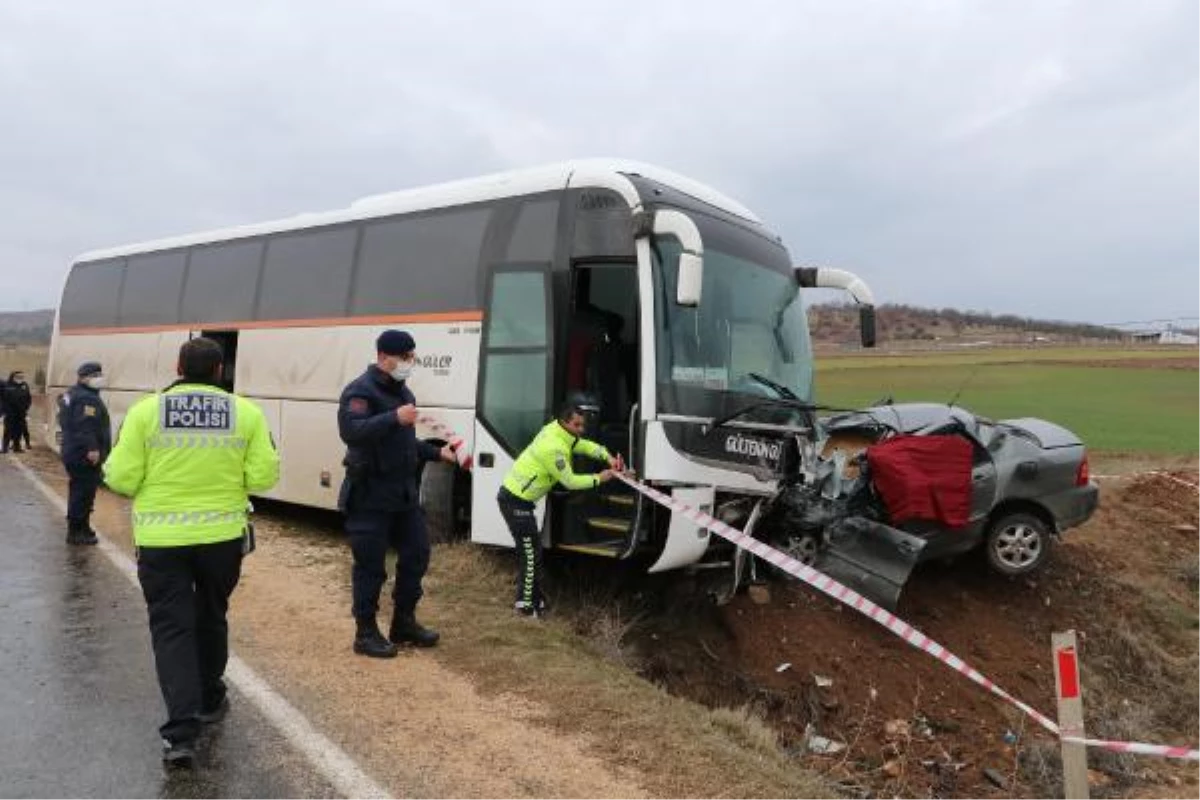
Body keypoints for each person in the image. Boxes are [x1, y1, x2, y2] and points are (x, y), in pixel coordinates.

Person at [104, 337, 279, 767]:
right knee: (212, 615)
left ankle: (181, 733)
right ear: (220, 371)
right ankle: (210, 696)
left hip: (163, 542)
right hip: (222, 540)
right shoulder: (246, 412)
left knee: (172, 629)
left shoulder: (146, 412)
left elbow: (122, 478)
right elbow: (264, 476)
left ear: (178, 367)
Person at [338, 329, 459, 658]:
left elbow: (405, 444)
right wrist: (393, 417)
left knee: (418, 554)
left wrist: (437, 454)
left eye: (412, 356)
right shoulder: (359, 392)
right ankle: (365, 633)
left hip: (403, 495)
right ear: (383, 357)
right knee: (371, 566)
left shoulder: (404, 392)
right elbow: (352, 431)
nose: (410, 362)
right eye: (405, 357)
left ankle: (403, 623)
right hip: (370, 495)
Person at [497, 398, 624, 618]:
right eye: (577, 425)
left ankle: (536, 601)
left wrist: (607, 456)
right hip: (514, 501)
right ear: (564, 422)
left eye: (582, 425)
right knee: (530, 554)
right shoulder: (553, 447)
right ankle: (525, 607)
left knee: (533, 552)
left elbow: (584, 446)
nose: (581, 430)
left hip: (521, 500)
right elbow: (570, 482)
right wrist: (600, 478)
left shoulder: (559, 432)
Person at [58, 362, 111, 545]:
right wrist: (92, 449)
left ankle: (82, 526)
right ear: (82, 377)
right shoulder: (87, 398)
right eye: (94, 375)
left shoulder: (73, 393)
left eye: (99, 373)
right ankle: (76, 532)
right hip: (82, 454)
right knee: (83, 493)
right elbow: (85, 426)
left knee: (82, 491)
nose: (99, 378)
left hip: (72, 450)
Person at [2, 370, 33, 453]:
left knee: (19, 431)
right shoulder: (7, 385)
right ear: (13, 377)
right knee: (8, 430)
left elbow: (28, 398)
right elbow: (3, 399)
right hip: (10, 413)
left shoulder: (24, 386)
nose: (20, 379)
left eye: (22, 377)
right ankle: (5, 448)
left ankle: (17, 447)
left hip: (21, 413)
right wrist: (4, 409)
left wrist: (26, 407)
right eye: (18, 377)